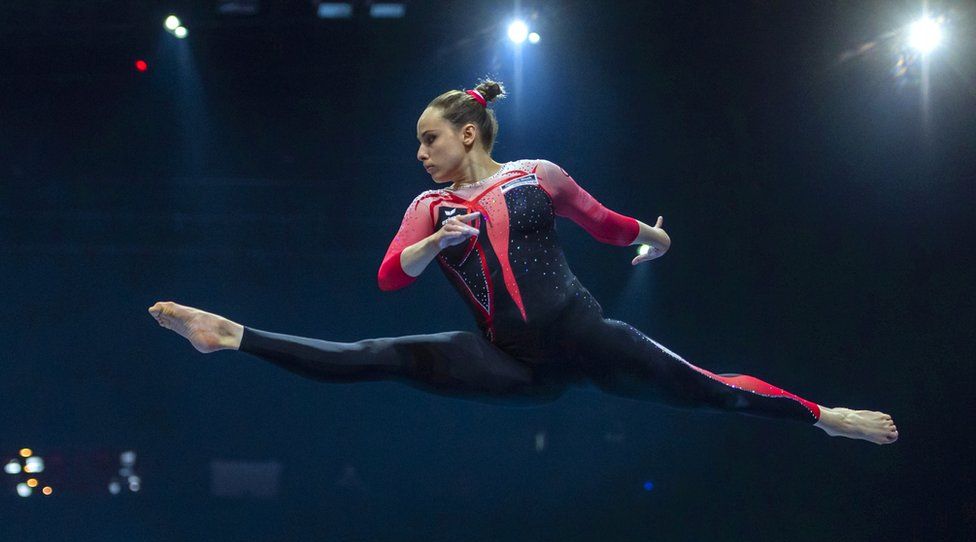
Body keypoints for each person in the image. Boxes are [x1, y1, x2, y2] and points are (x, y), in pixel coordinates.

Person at [149, 80, 898, 444]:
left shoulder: (536, 175)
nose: (420, 153)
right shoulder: (427, 208)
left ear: (469, 133)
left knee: (704, 387)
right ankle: (230, 335)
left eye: (430, 140)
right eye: (418, 144)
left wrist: (656, 239)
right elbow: (388, 277)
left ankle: (823, 416)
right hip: (510, 364)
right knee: (380, 355)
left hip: (585, 337)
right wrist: (434, 243)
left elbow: (605, 225)